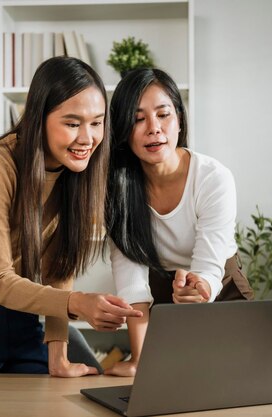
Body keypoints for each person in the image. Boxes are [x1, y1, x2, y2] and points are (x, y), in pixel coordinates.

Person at [0, 56, 142, 377]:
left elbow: (59, 269)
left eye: (96, 122)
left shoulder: (77, 172)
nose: (87, 137)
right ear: (39, 118)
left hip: (21, 300)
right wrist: (77, 303)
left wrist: (58, 356)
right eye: (72, 123)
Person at [104, 68, 254, 377]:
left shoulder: (213, 178)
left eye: (163, 115)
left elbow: (209, 268)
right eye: (138, 118)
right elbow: (132, 284)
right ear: (122, 128)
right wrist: (139, 361)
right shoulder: (117, 188)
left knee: (237, 378)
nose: (154, 129)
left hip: (221, 285)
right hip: (160, 290)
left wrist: (200, 289)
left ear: (180, 119)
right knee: (169, 379)